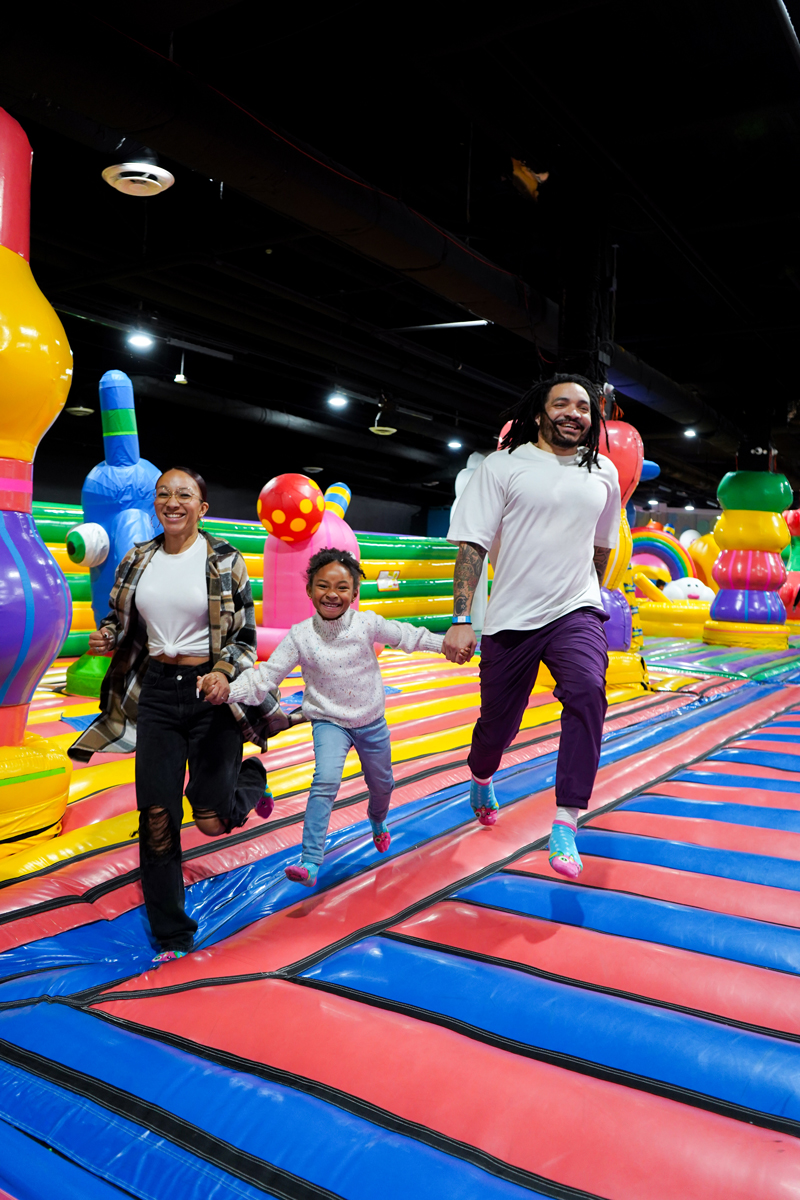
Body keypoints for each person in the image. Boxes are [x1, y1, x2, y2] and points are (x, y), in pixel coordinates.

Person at [69, 467, 283, 963]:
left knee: (210, 820)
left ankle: (250, 780)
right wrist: (107, 637)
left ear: (202, 507)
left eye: (184, 494)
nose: (172, 501)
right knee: (158, 817)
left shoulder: (226, 560)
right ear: (155, 505)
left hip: (212, 694)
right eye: (163, 493)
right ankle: (173, 932)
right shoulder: (138, 558)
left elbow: (245, 637)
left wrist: (224, 674)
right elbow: (119, 620)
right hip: (159, 694)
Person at [444, 374, 621, 879]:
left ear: (593, 418)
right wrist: (461, 619)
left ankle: (566, 820)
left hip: (576, 609)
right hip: (513, 618)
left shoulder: (603, 472)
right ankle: (481, 774)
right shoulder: (504, 466)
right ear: (540, 413)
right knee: (498, 725)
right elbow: (472, 545)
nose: (573, 413)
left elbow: (603, 544)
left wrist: (590, 590)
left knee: (588, 692)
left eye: (583, 407)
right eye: (561, 403)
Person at [201, 547, 445, 887]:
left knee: (382, 784)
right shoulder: (301, 635)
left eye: (342, 587)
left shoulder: (366, 624)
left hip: (371, 722)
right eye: (323, 585)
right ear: (310, 590)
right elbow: (265, 676)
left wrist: (444, 644)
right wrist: (229, 690)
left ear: (355, 593)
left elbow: (408, 636)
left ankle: (378, 819)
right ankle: (310, 860)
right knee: (325, 780)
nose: (332, 594)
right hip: (329, 722)